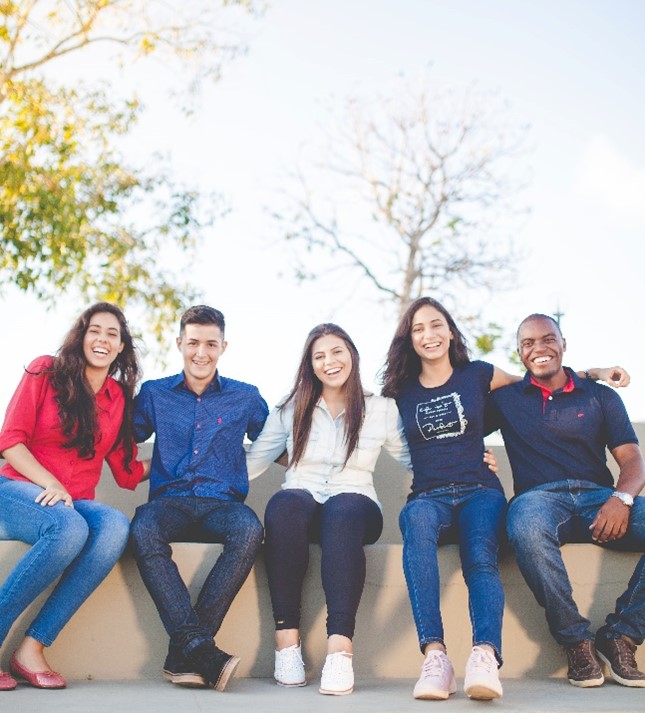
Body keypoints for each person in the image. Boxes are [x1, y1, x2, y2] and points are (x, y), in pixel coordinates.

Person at [381, 297, 624, 701]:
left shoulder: (479, 375)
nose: (429, 335)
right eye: (419, 328)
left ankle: (485, 656)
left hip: (480, 491)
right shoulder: (398, 392)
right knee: (416, 526)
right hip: (428, 495)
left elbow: (540, 379)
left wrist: (593, 373)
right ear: (408, 339)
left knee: (480, 555)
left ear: (451, 331)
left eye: (437, 325)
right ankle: (436, 657)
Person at [245, 323, 417, 696]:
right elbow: (252, 462)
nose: (329, 362)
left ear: (352, 354)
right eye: (319, 356)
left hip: (356, 504)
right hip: (301, 501)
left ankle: (339, 650)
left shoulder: (381, 409)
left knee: (342, 512)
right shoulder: (291, 409)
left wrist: (466, 464)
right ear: (310, 365)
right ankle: (287, 644)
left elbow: (413, 458)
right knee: (284, 505)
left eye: (336, 351)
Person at [486, 313, 645, 688]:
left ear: (563, 343)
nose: (539, 348)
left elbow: (632, 459)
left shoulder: (600, 395)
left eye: (547, 339)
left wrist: (621, 499)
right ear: (519, 353)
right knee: (524, 525)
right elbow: (459, 404)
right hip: (538, 500)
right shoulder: (505, 400)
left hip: (600, 499)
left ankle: (621, 635)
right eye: (528, 343)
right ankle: (576, 641)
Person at [0, 303, 146, 691]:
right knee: (67, 529)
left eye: (112, 334)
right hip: (18, 488)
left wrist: (189, 462)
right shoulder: (45, 370)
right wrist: (50, 483)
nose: (102, 339)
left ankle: (31, 648)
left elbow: (127, 470)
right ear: (81, 337)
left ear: (121, 347)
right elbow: (10, 442)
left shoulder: (117, 398)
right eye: (94, 330)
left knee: (114, 526)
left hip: (73, 501)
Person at [129, 305, 269, 692]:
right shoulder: (155, 393)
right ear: (179, 344)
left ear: (224, 346)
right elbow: (121, 436)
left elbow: (281, 440)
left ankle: (187, 651)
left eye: (211, 343)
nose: (201, 353)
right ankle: (202, 650)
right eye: (193, 343)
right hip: (168, 503)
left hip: (222, 505)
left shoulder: (246, 396)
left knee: (249, 530)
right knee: (142, 528)